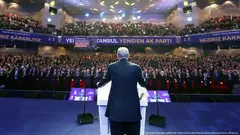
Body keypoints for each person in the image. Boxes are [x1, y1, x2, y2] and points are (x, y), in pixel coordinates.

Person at [97, 47, 146, 135]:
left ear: (117, 56)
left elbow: (105, 80)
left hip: (116, 111)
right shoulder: (136, 68)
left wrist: (98, 84)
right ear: (129, 55)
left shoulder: (112, 67)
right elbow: (143, 84)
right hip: (132, 111)